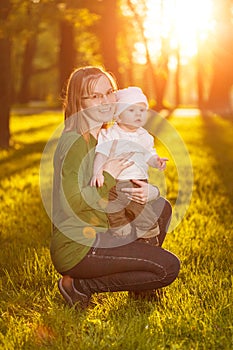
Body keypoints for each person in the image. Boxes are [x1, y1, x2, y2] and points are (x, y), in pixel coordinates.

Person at [50, 66, 180, 308]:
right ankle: (79, 286)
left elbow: (125, 185)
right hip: (79, 245)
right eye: (96, 96)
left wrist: (151, 191)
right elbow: (72, 205)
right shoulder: (74, 143)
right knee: (168, 268)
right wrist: (108, 174)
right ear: (79, 102)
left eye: (109, 92)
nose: (107, 100)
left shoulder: (104, 136)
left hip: (103, 227)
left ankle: (140, 286)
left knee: (160, 207)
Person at [90, 86, 168, 245]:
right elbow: (102, 153)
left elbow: (148, 154)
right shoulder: (112, 134)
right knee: (113, 206)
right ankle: (119, 227)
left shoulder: (144, 136)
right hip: (115, 182)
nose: (138, 114)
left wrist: (156, 161)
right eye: (131, 110)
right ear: (118, 116)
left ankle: (148, 236)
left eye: (142, 110)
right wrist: (97, 172)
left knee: (141, 211)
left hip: (137, 182)